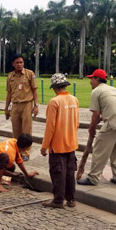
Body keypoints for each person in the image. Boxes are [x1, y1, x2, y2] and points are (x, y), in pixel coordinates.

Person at [77, 69, 116, 186]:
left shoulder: (96, 91)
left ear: (97, 79)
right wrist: (93, 124)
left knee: (99, 149)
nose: (90, 82)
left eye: (92, 79)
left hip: (113, 123)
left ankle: (93, 178)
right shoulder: (113, 89)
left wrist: (91, 128)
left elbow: (96, 114)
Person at [40, 73, 79, 209]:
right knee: (69, 172)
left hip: (58, 144)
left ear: (55, 88)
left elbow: (50, 127)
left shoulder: (54, 102)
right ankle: (71, 199)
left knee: (58, 173)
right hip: (72, 142)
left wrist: (45, 146)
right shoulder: (74, 100)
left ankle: (58, 200)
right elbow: (77, 123)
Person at [4, 54, 39, 161]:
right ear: (13, 64)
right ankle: (17, 151)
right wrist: (6, 108)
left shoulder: (29, 74)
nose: (20, 64)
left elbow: (34, 91)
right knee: (16, 131)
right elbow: (9, 94)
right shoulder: (10, 76)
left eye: (21, 62)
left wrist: (36, 105)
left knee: (26, 131)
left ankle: (26, 153)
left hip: (27, 104)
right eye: (17, 62)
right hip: (15, 105)